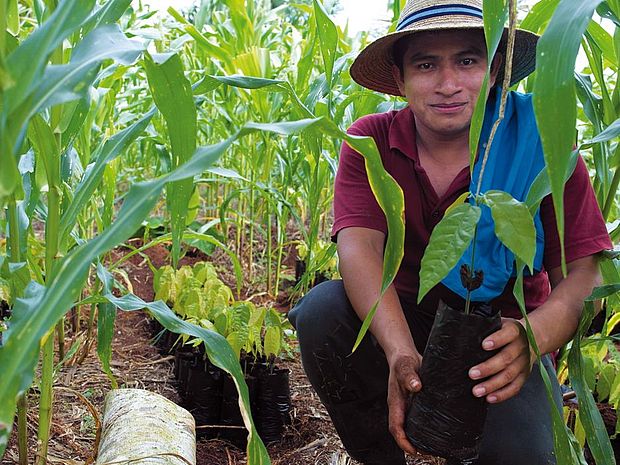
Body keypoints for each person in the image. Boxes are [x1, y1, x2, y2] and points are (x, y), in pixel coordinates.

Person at [288, 0, 613, 464]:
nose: (448, 85)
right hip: (403, 318)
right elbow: (358, 248)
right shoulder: (372, 142)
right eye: (425, 65)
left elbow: (584, 274)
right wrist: (399, 351)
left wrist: (531, 336)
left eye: (467, 60)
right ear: (399, 80)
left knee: (520, 455)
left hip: (498, 331)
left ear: (496, 67)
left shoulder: (544, 140)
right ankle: (381, 455)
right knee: (323, 312)